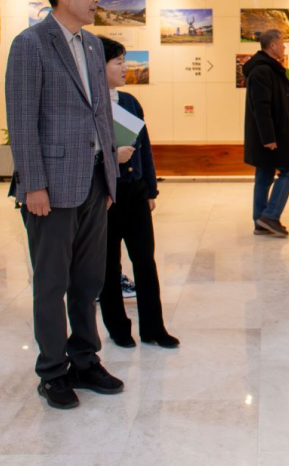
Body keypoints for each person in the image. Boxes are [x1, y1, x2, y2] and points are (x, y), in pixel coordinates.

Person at [5, 0, 124, 410]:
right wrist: (33, 185)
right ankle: (53, 371)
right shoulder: (30, 45)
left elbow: (101, 116)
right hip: (50, 187)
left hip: (94, 181)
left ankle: (86, 359)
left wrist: (110, 178)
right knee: (51, 282)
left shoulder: (93, 46)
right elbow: (21, 120)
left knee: (88, 279)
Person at [98, 36, 179, 349]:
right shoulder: (90, 103)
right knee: (109, 266)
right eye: (117, 61)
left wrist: (151, 190)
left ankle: (154, 328)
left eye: (124, 60)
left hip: (135, 192)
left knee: (145, 261)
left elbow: (143, 148)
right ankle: (118, 329)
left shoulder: (130, 101)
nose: (124, 67)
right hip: (106, 195)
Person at [243, 29, 289, 237]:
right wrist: (269, 138)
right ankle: (269, 216)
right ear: (272, 46)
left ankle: (261, 222)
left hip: (272, 136)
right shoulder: (263, 71)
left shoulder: (268, 69)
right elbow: (261, 108)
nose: (284, 47)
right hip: (272, 138)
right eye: (282, 43)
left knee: (264, 175)